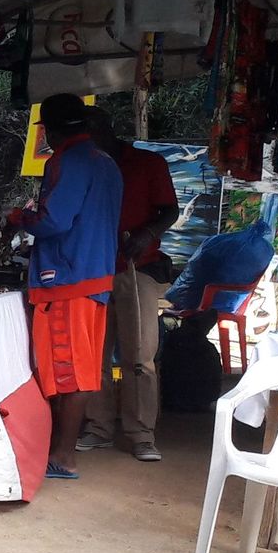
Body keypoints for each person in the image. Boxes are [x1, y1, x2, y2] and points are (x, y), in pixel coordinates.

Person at [8, 94, 122, 481]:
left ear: (50, 132)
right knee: (82, 369)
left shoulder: (67, 161)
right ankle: (60, 451)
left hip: (66, 280)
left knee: (67, 372)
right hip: (94, 277)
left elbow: (54, 221)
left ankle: (62, 456)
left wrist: (19, 217)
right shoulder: (105, 162)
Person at [81, 110, 181, 463]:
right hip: (92, 268)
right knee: (94, 354)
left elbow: (170, 211)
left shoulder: (146, 163)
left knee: (139, 356)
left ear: (101, 129)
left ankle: (141, 433)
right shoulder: (82, 165)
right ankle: (98, 427)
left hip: (136, 266)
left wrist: (147, 234)